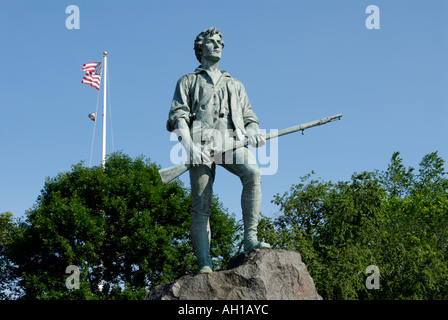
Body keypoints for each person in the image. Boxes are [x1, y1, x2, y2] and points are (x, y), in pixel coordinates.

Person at [166, 27, 270, 274]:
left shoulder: (235, 84)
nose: (218, 45)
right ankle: (204, 262)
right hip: (200, 145)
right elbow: (178, 118)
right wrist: (190, 148)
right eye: (211, 42)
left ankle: (250, 238)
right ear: (200, 48)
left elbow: (249, 117)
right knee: (201, 204)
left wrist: (253, 129)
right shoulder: (188, 81)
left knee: (253, 174)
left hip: (231, 141)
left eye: (220, 41)